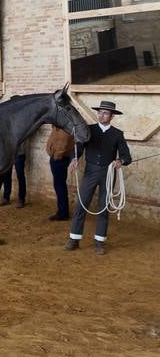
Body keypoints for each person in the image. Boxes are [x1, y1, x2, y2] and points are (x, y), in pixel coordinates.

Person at [64, 99, 131, 255]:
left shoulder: (117, 134)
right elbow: (78, 147)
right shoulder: (89, 130)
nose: (101, 115)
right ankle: (74, 239)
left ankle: (99, 242)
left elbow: (126, 155)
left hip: (108, 173)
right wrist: (74, 158)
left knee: (104, 207)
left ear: (111, 116)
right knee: (82, 204)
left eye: (105, 113)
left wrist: (120, 161)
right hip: (90, 172)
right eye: (100, 112)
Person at [46, 125, 75, 220]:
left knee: (59, 185)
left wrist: (57, 156)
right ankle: (62, 211)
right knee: (59, 185)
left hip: (59, 159)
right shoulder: (58, 126)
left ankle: (62, 213)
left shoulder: (64, 128)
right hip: (57, 158)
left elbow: (63, 143)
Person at [0, 141, 26, 208]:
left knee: (20, 176)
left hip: (19, 153)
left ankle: (21, 199)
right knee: (6, 175)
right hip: (8, 153)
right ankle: (6, 197)